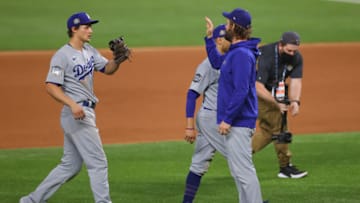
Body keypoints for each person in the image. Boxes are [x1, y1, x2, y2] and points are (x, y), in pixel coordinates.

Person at [20, 12, 129, 203]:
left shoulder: (89, 51)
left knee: (70, 166)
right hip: (77, 114)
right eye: (86, 27)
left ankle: (31, 200)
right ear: (74, 29)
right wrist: (72, 104)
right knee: (98, 162)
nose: (90, 30)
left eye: (90, 26)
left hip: (82, 113)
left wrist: (118, 60)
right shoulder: (62, 56)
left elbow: (108, 69)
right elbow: (51, 85)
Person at [204, 8, 266, 203]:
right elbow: (216, 63)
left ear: (234, 27)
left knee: (244, 172)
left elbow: (241, 90)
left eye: (228, 23)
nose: (225, 25)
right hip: (236, 121)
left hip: (238, 122)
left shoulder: (241, 55)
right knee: (238, 171)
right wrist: (208, 39)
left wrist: (227, 119)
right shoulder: (237, 51)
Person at [182, 24, 231, 203]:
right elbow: (191, 94)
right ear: (218, 40)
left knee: (198, 164)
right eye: (228, 38)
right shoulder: (208, 65)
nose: (231, 42)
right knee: (239, 158)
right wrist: (189, 127)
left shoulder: (228, 60)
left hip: (216, 118)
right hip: (212, 119)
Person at [252, 31, 308, 179]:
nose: (292, 54)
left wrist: (295, 101)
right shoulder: (266, 56)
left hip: (277, 91)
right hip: (259, 92)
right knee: (279, 130)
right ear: (280, 45)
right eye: (289, 50)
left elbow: (296, 81)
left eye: (295, 51)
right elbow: (257, 86)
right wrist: (276, 103)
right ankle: (285, 167)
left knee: (268, 132)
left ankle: (239, 154)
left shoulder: (296, 57)